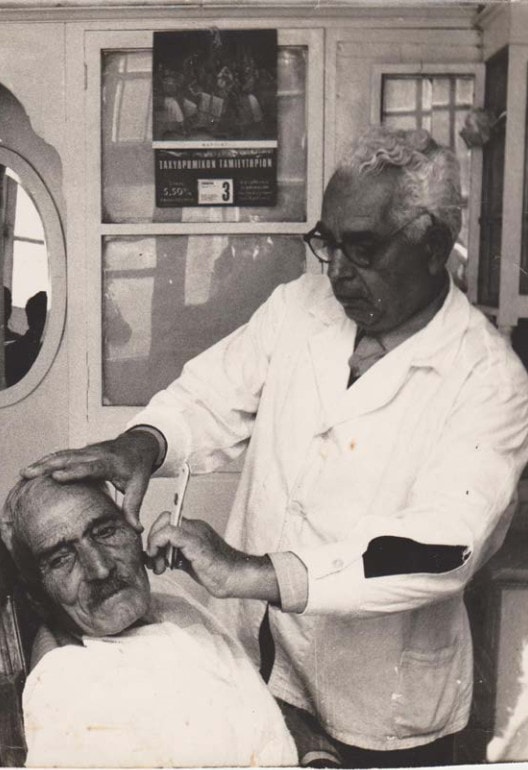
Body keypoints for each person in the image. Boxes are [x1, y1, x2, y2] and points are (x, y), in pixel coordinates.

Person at [23, 126, 528, 767]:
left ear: (433, 246)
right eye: (328, 242)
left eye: (362, 249)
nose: (336, 271)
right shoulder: (301, 306)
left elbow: (442, 545)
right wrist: (141, 444)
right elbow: (210, 395)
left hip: (378, 694)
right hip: (258, 660)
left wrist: (251, 572)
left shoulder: (490, 380)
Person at [0, 475, 297, 768]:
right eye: (61, 558)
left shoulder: (170, 605)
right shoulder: (69, 692)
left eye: (104, 531)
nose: (100, 568)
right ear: (37, 595)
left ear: (135, 530)